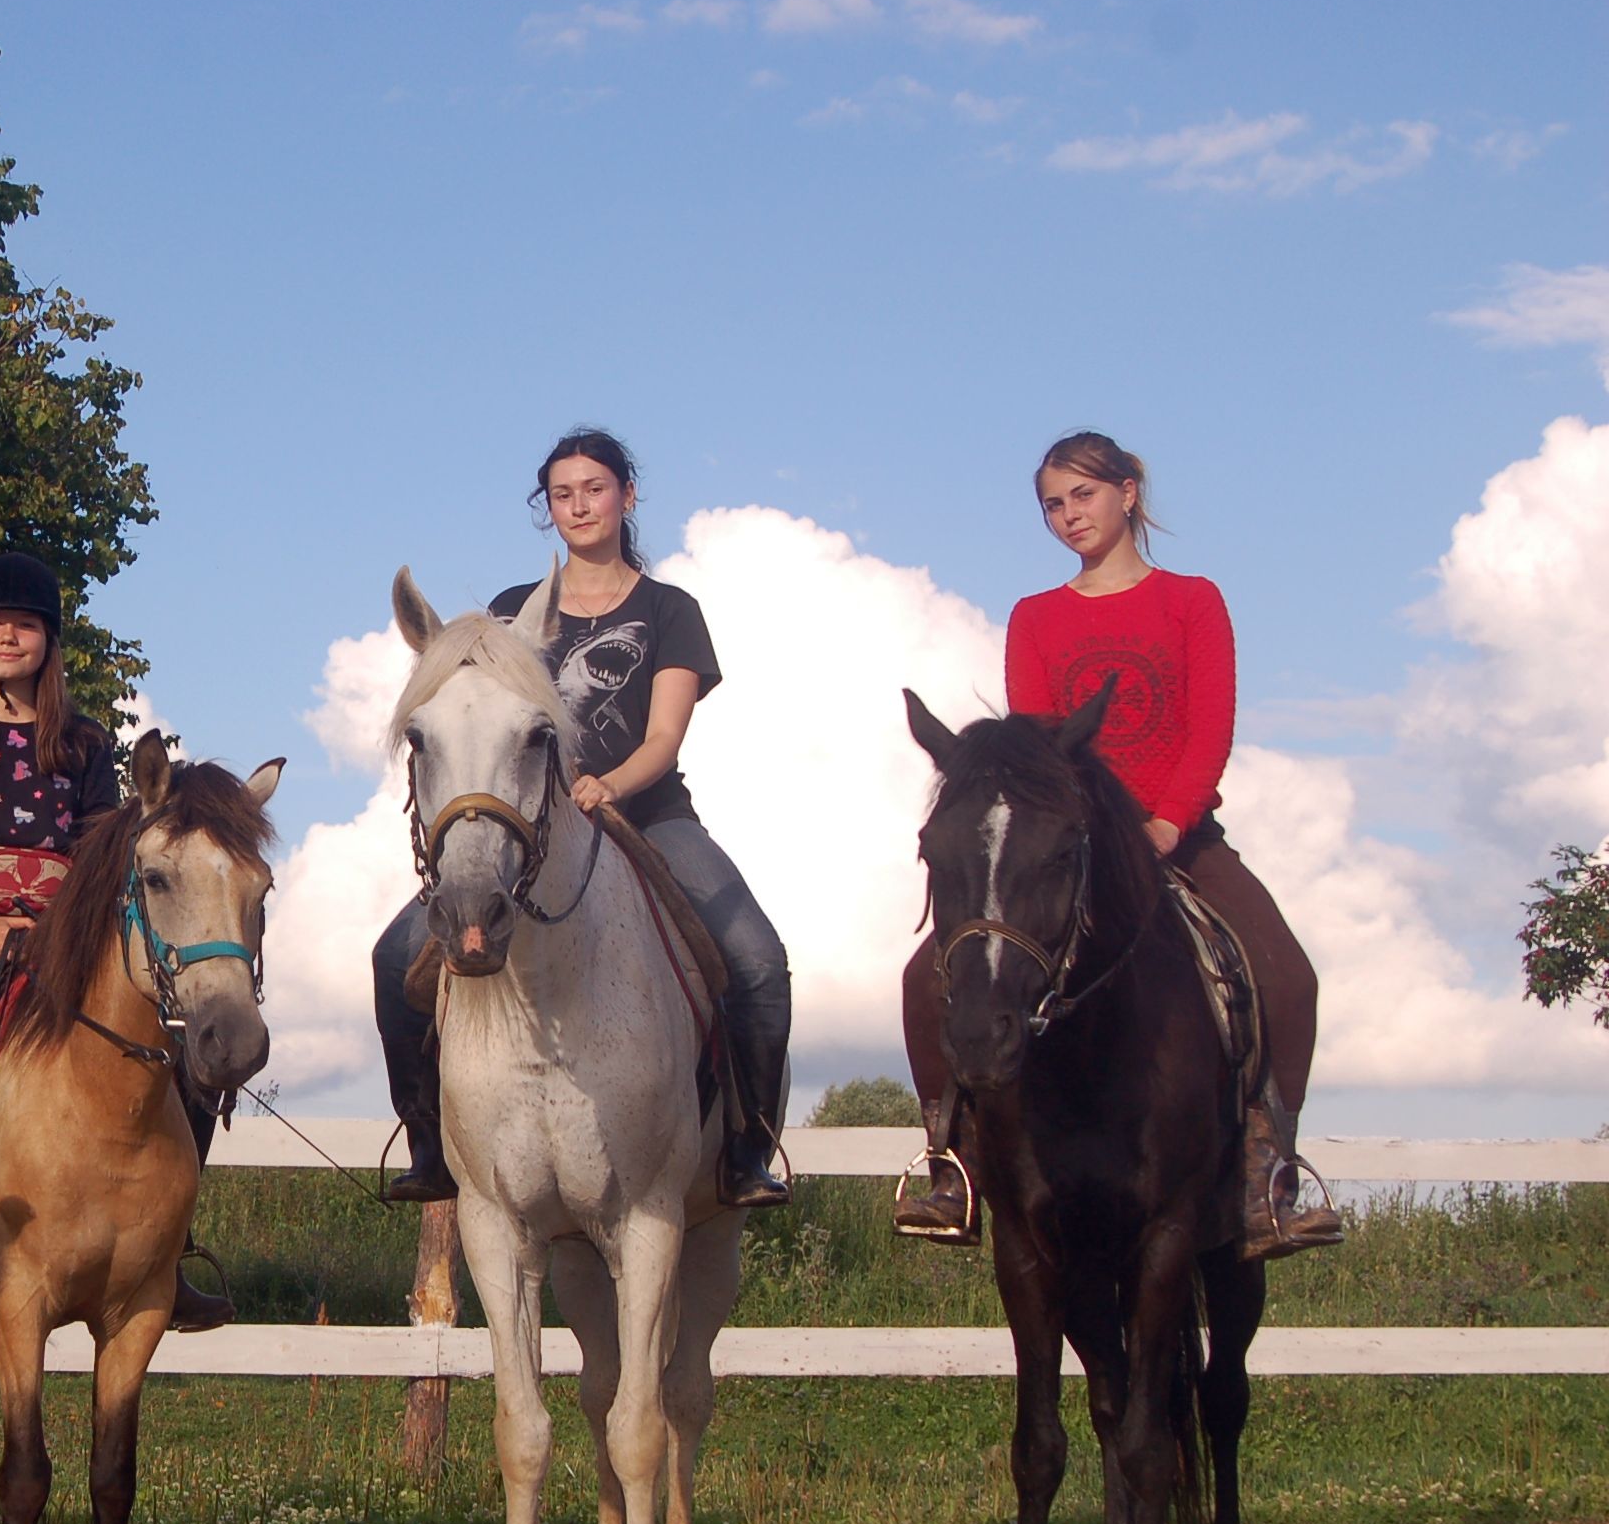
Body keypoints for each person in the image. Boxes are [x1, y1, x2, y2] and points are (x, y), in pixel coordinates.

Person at [894, 431, 1342, 1261]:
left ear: (1128, 493)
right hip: (1069, 850)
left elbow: (1210, 727)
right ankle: (952, 1161)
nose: (1069, 516)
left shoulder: (1191, 601)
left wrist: (1167, 821)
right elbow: (1037, 752)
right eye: (1053, 505)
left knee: (1286, 971)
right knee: (927, 975)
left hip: (1180, 839)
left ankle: (1266, 1168)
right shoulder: (1037, 616)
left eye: (1084, 496)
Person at [374, 427, 796, 1212]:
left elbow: (663, 739)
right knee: (392, 958)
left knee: (758, 960)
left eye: (594, 489)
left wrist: (606, 786)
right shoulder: (509, 614)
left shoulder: (669, 610)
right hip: (528, 832)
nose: (579, 506)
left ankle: (749, 1148)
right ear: (548, 508)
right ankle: (430, 1144)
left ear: (626, 497)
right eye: (562, 494)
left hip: (649, 816)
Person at [0, 555, 234, 1331]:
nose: (7, 637)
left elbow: (99, 853)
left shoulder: (85, 743)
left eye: (23, 625)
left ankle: (171, 1247)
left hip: (66, 936)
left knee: (180, 1049)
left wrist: (60, 934)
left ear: (48, 641)